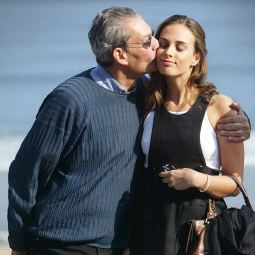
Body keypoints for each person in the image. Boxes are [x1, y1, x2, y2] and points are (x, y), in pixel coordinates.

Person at [8, 8, 249, 255]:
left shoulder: (148, 95)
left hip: (149, 239)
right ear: (121, 55)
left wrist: (241, 121)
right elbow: (26, 173)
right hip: (70, 243)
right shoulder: (79, 100)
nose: (160, 49)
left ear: (196, 57)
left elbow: (199, 121)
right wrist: (18, 243)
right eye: (153, 42)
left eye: (173, 44)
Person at [130, 15, 245, 255]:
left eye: (179, 47)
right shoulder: (147, 102)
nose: (167, 52)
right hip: (150, 225)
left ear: (196, 58)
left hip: (199, 232)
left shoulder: (219, 106)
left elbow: (235, 184)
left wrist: (196, 180)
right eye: (162, 43)